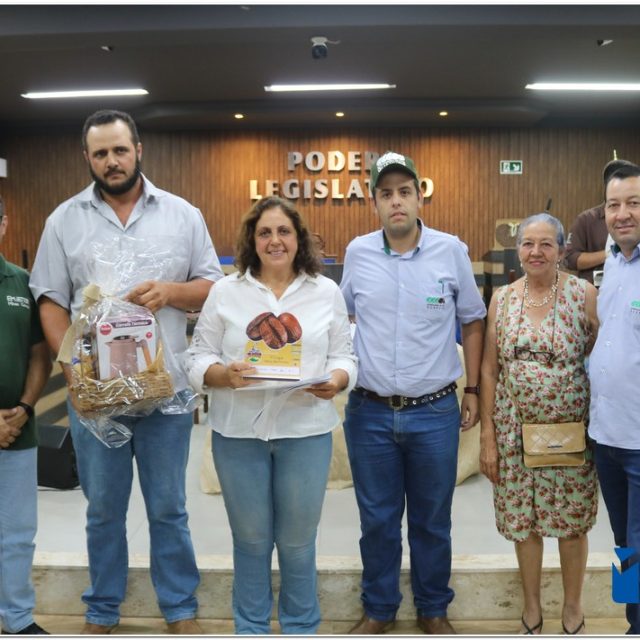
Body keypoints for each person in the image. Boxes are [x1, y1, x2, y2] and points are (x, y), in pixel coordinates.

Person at [29, 109, 223, 634]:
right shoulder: (63, 220)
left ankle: (179, 608)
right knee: (103, 511)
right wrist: (73, 369)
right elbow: (50, 300)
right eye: (100, 153)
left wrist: (171, 292)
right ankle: (102, 609)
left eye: (119, 150)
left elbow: (212, 286)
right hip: (95, 398)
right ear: (87, 158)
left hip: (166, 392)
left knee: (168, 508)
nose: (111, 161)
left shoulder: (182, 214)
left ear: (138, 150)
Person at [185, 195, 357, 634]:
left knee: (298, 544)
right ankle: (252, 628)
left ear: (299, 238)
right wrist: (222, 376)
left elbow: (345, 355)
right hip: (238, 434)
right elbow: (197, 355)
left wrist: (337, 380)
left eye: (284, 231)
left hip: (306, 432)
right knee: (251, 542)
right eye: (265, 232)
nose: (275, 240)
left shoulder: (325, 292)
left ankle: (300, 627)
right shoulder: (226, 292)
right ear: (252, 240)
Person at [340, 151, 486, 635]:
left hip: (434, 412)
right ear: (374, 202)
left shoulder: (450, 251)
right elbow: (339, 316)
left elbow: (472, 319)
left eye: (404, 192)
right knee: (377, 521)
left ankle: (433, 608)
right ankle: (379, 609)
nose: (396, 202)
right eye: (386, 194)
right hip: (370, 412)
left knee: (432, 520)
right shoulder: (358, 253)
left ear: (419, 197)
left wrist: (472, 389)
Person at [480, 213, 599, 635]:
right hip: (513, 433)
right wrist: (488, 435)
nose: (536, 252)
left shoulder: (583, 294)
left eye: (546, 244)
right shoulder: (502, 299)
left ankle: (572, 607)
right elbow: (490, 369)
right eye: (528, 244)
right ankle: (531, 608)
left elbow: (600, 356)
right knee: (523, 523)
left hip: (569, 434)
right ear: (518, 250)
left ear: (562, 250)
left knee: (571, 523)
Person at [588, 162, 640, 635]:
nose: (622, 213)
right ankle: (632, 621)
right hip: (607, 437)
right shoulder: (614, 265)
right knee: (625, 543)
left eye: (634, 203)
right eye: (614, 205)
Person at [0, 198, 52, 635]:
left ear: (3, 224)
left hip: (17, 430)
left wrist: (26, 408)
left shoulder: (22, 283)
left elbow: (39, 354)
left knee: (17, 533)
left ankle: (18, 619)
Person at [564, 158, 636, 285]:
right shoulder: (586, 219)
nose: (622, 216)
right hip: (594, 289)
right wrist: (609, 253)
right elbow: (569, 259)